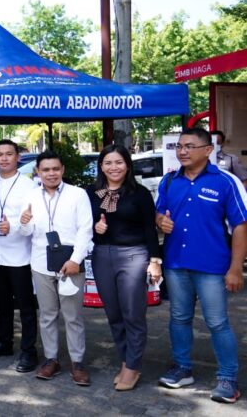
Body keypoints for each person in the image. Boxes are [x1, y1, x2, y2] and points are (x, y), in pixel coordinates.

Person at [156, 128, 247, 404]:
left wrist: (235, 269)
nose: (182, 151)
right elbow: (158, 214)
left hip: (212, 266)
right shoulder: (170, 181)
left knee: (217, 322)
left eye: (190, 146)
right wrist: (160, 221)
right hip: (175, 263)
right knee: (179, 318)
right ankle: (182, 368)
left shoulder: (226, 182)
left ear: (208, 150)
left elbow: (241, 226)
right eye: (180, 146)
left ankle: (228, 379)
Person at [88, 145, 162, 391]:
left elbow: (151, 230)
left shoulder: (139, 193)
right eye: (108, 162)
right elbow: (82, 224)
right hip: (101, 256)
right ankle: (126, 359)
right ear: (101, 166)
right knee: (114, 314)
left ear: (127, 165)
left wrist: (154, 261)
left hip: (133, 255)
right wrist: (94, 229)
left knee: (133, 314)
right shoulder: (92, 193)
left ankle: (132, 366)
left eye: (119, 162)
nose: (114, 167)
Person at [20, 150, 93, 386]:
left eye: (55, 169)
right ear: (38, 172)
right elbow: (26, 234)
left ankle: (78, 362)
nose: (51, 173)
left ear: (62, 170)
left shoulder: (77, 195)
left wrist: (75, 259)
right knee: (48, 315)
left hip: (70, 264)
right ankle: (51, 359)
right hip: (41, 263)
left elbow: (85, 230)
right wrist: (24, 223)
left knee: (73, 316)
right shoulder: (30, 196)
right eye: (45, 170)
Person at [0, 140, 39, 373]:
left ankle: (29, 350)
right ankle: (4, 342)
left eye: (9, 154)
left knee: (25, 305)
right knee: (2, 302)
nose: (4, 158)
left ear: (18, 157)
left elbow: (33, 218)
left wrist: (14, 226)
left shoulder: (29, 186)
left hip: (19, 254)